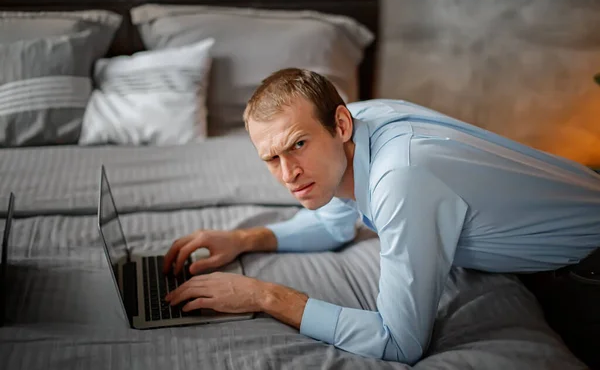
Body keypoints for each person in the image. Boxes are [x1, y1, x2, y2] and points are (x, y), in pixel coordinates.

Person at [163, 68, 600, 367]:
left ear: (339, 124)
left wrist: (264, 297)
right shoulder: (359, 121)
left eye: (298, 145)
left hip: (584, 277)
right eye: (271, 158)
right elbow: (334, 225)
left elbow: (400, 342)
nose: (288, 173)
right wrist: (244, 240)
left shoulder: (402, 176)